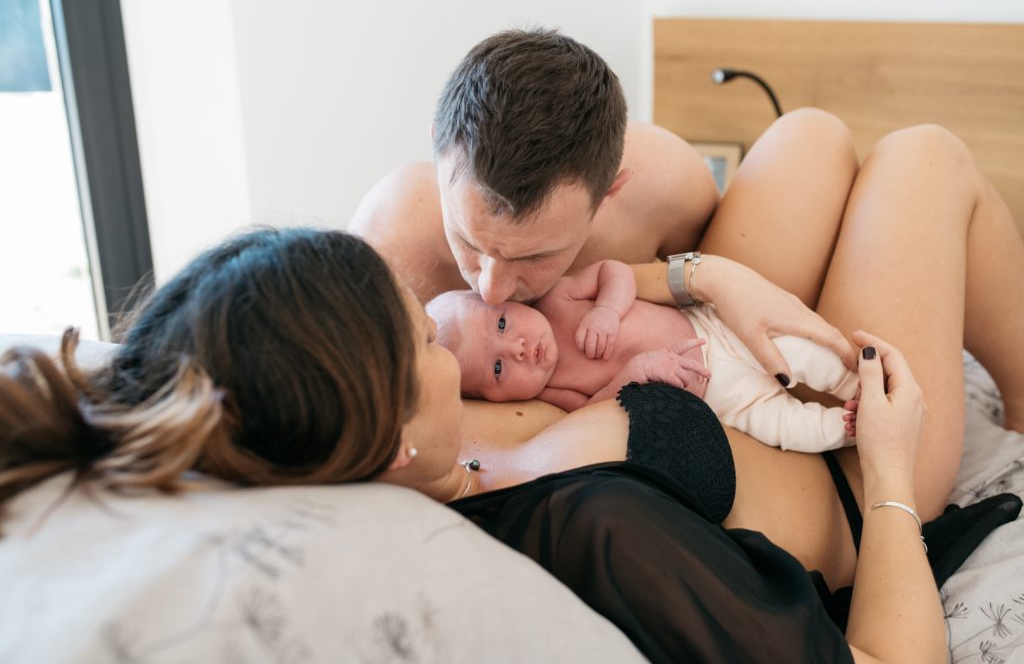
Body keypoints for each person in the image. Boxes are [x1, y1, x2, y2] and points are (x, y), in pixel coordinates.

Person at [3, 120, 1024, 661]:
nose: (449, 332)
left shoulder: (390, 437)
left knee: (814, 139)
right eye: (425, 340)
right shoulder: (601, 534)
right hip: (853, 461)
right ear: (392, 427)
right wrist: (889, 474)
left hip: (718, 362)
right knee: (925, 160)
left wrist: (704, 278)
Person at [349, 28, 861, 390]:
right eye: (468, 241)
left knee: (814, 132)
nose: (491, 288)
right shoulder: (391, 236)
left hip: (697, 367)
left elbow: (718, 308)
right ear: (437, 144)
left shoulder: (667, 182)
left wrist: (711, 276)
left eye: (534, 258)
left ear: (610, 191)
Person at [427, 259, 859, 452]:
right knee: (783, 427)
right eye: (498, 367)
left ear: (506, 299)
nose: (517, 348)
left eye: (501, 325)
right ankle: (848, 429)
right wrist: (634, 372)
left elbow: (613, 271)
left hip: (716, 331)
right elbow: (595, 411)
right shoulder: (552, 393)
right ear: (496, 400)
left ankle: (856, 385)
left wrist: (607, 310)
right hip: (719, 397)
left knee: (802, 354)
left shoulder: (558, 297)